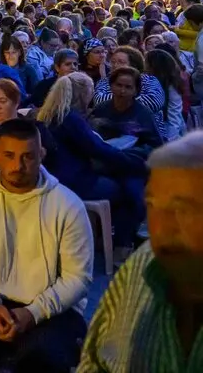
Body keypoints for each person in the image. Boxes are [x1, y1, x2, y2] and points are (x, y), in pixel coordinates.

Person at [0, 118, 92, 373]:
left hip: (50, 309)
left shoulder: (67, 205)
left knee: (41, 360)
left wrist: (33, 313)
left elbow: (78, 278)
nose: (17, 166)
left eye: (28, 157)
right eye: (9, 156)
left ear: (41, 155)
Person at [77, 132, 203, 370]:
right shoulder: (143, 264)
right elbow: (94, 359)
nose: (161, 228)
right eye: (153, 205)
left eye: (182, 208)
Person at [38, 74, 148, 261]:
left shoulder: (47, 116)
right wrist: (133, 160)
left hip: (55, 179)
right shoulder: (70, 118)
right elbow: (98, 150)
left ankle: (106, 239)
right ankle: (121, 246)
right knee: (129, 188)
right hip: (75, 183)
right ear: (83, 93)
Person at [89, 66, 163, 152]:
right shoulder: (100, 109)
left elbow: (156, 145)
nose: (122, 91)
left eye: (128, 87)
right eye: (119, 85)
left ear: (136, 90)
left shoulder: (144, 114)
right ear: (111, 85)